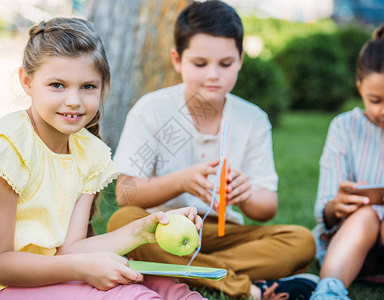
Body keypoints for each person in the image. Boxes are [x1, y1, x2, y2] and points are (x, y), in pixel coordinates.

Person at [0, 17, 207, 300]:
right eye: (57, 85)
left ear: (104, 86)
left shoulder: (90, 153)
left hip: (54, 271)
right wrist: (81, 268)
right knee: (131, 294)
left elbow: (71, 250)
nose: (74, 100)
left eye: (88, 87)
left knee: (166, 287)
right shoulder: (4, 149)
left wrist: (143, 230)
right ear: (27, 82)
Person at [107, 1, 318, 299]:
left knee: (302, 241)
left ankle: (180, 271)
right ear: (177, 60)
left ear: (241, 60)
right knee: (122, 221)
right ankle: (244, 286)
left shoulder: (253, 119)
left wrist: (245, 195)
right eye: (200, 64)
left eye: (226, 64)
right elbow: (124, 193)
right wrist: (180, 181)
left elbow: (266, 208)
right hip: (162, 231)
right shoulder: (151, 110)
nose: (213, 76)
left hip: (223, 234)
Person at [310, 25, 384, 300]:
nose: (383, 110)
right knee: (366, 215)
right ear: (360, 88)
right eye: (375, 100)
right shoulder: (345, 127)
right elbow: (325, 212)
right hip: (350, 246)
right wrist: (336, 205)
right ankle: (329, 291)